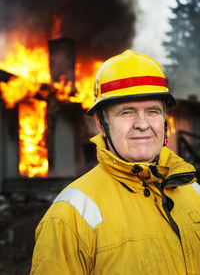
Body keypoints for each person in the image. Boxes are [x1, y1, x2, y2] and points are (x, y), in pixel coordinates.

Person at [30, 50, 200, 274]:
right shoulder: (68, 216)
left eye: (152, 111)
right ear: (101, 123)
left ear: (164, 119)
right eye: (127, 112)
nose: (142, 124)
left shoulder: (194, 190)